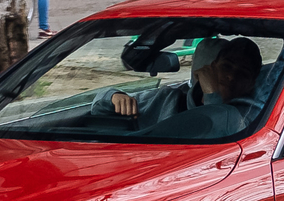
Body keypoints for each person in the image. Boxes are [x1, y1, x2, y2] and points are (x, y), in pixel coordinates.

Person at [106, 36, 264, 132]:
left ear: (250, 84)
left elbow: (218, 132)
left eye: (242, 73)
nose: (231, 76)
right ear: (212, 66)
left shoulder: (253, 117)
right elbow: (99, 105)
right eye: (226, 66)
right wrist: (114, 96)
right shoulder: (168, 97)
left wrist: (212, 95)